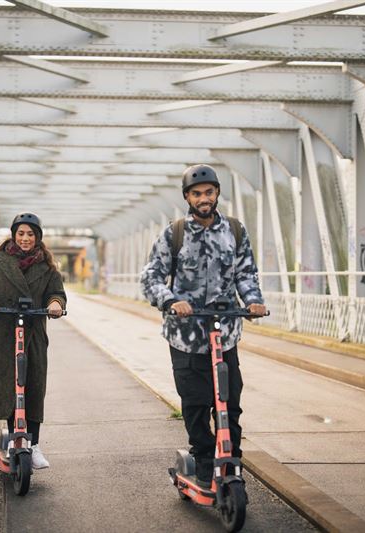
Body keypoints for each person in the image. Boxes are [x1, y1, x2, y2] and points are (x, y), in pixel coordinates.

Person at [140, 164, 265, 488]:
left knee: (230, 403)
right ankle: (205, 459)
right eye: (196, 194)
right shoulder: (175, 233)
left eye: (208, 192)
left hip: (225, 334)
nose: (203, 198)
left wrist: (253, 301)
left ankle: (232, 459)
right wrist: (171, 300)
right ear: (187, 197)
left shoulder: (235, 231)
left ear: (217, 193)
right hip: (186, 336)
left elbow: (245, 273)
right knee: (196, 404)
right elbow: (151, 277)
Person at [0, 212, 66, 469]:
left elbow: (56, 292)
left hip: (33, 334)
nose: (25, 238)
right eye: (20, 233)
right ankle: (13, 439)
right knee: (10, 386)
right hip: (3, 332)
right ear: (13, 235)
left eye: (30, 234)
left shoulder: (47, 267)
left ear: (37, 237)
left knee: (33, 386)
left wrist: (55, 303)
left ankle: (33, 444)